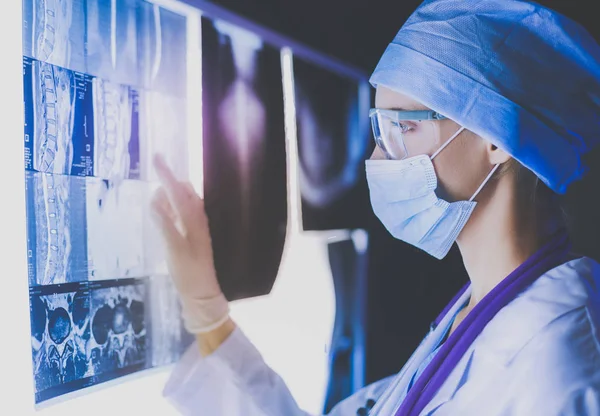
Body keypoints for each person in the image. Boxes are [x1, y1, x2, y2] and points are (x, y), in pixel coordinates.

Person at [150, 0, 600, 414]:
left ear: (497, 139)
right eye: (378, 131)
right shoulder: (476, 313)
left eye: (401, 128)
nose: (377, 159)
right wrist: (206, 308)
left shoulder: (562, 370)